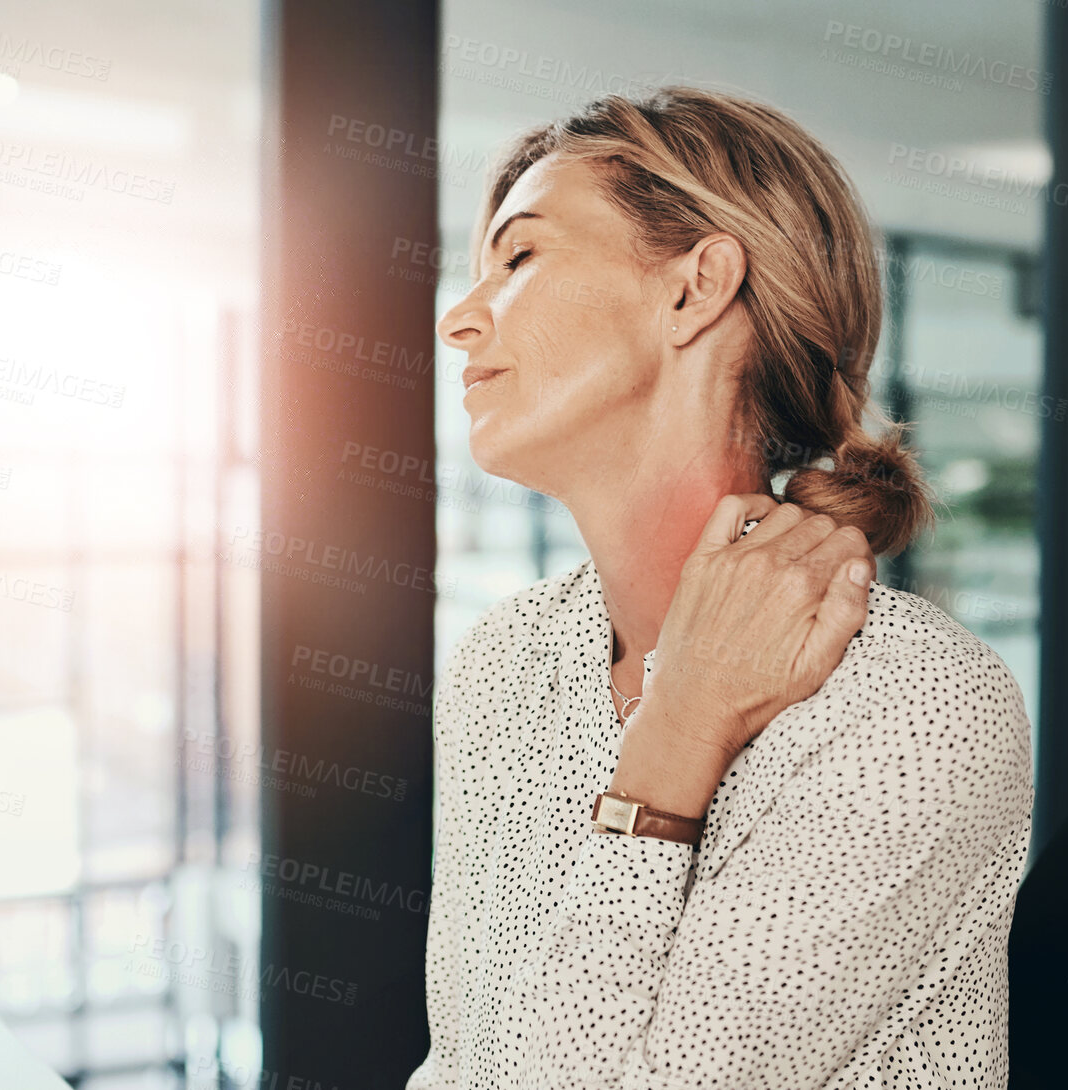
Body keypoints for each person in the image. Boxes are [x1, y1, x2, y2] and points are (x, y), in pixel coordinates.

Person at [410, 86, 1035, 1088]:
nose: (460, 319)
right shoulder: (509, 658)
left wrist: (677, 736)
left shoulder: (913, 705)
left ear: (695, 288)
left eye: (519, 257)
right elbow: (462, 1064)